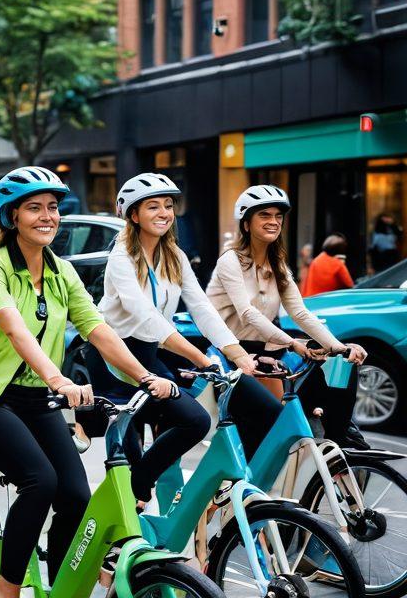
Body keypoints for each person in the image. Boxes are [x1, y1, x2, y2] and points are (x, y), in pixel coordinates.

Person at [0, 166, 176, 598]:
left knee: (76, 493)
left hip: (38, 402)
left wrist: (145, 376)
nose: (47, 216)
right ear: (11, 216)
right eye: (35, 207)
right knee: (42, 482)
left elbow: (97, 329)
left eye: (53, 207)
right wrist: (58, 377)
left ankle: (56, 597)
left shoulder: (61, 270)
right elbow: (13, 326)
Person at [88, 173, 282, 510]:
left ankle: (234, 489)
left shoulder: (173, 255)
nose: (164, 212)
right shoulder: (121, 257)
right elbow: (147, 317)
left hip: (153, 350)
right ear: (133, 215)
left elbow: (203, 309)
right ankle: (137, 491)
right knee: (189, 423)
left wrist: (236, 355)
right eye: (153, 207)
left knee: (265, 409)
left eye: (168, 206)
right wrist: (202, 359)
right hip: (116, 357)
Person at [207, 185, 367, 400]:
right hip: (231, 351)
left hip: (267, 349)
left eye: (278, 216)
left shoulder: (278, 265)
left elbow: (299, 313)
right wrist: (292, 343)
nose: (273, 221)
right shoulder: (230, 261)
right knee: (271, 414)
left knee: (317, 396)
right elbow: (247, 312)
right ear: (246, 224)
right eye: (264, 215)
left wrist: (338, 348)